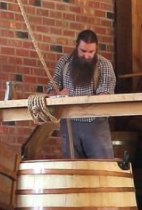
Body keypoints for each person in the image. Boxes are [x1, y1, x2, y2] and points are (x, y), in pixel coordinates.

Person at [49, 29, 116, 159]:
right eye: (83, 51)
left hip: (95, 125)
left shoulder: (104, 65)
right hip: (69, 125)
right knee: (73, 170)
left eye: (91, 52)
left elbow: (105, 96)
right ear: (76, 46)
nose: (86, 56)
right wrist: (57, 94)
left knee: (102, 168)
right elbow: (53, 86)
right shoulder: (64, 63)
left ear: (96, 49)